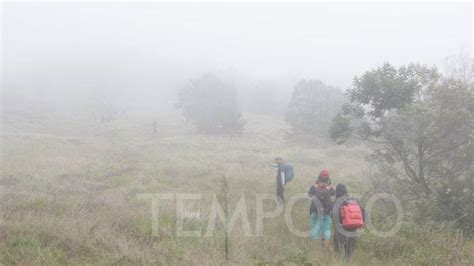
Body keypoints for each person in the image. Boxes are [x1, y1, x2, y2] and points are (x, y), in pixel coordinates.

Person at [332, 184, 365, 258]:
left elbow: (334, 215)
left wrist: (337, 227)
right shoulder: (354, 200)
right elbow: (363, 212)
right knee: (349, 254)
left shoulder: (337, 201)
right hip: (354, 229)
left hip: (341, 230)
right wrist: (361, 225)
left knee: (338, 252)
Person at [308, 170, 335, 247]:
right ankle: (325, 247)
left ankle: (315, 249)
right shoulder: (330, 188)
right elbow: (333, 196)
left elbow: (310, 196)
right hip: (326, 213)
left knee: (315, 229)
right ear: (328, 179)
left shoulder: (314, 187)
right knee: (326, 229)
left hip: (315, 212)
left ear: (319, 177)